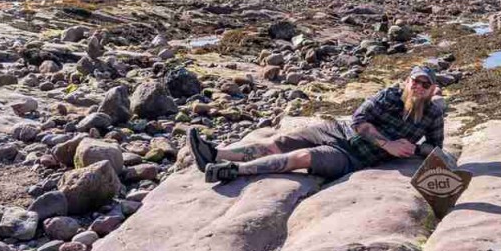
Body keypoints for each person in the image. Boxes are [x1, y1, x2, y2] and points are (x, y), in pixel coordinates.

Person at [188, 66, 445, 183]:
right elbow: (358, 120)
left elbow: (435, 147)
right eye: (415, 81)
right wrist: (388, 144)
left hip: (352, 156)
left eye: (425, 84)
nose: (418, 87)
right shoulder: (389, 95)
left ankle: (232, 170)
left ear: (433, 89)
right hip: (337, 130)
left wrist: (412, 148)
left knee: (301, 157)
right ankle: (214, 154)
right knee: (279, 142)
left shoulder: (433, 115)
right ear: (407, 81)